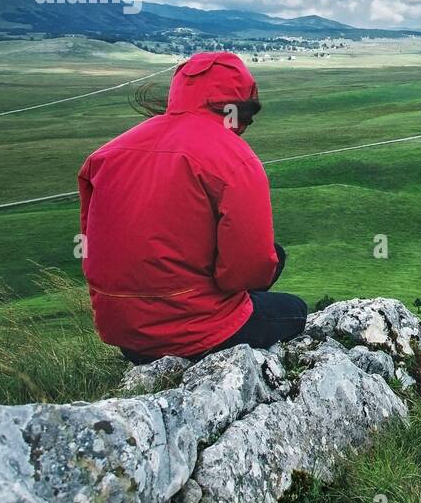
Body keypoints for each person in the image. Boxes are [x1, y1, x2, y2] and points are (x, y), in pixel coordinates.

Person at [77, 51, 307, 363]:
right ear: (240, 106)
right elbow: (247, 271)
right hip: (193, 333)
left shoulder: (105, 155)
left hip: (123, 333)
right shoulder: (234, 157)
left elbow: (96, 247)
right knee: (294, 309)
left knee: (272, 256)